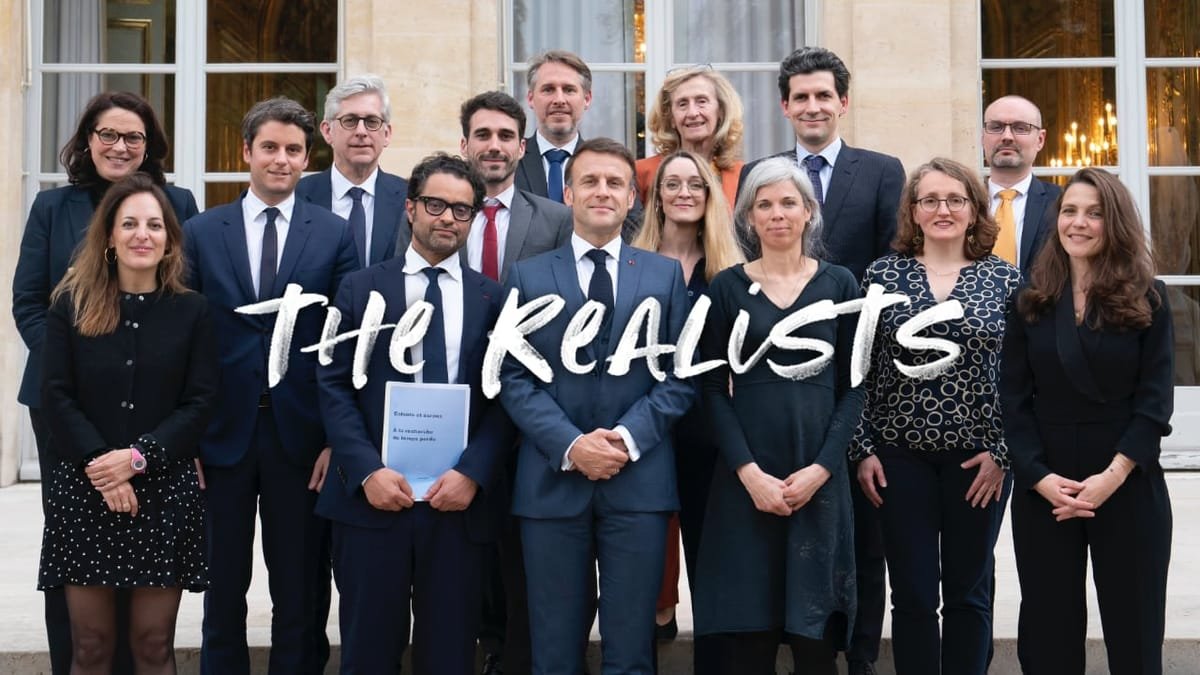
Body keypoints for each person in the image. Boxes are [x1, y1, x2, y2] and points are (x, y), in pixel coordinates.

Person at [12, 90, 199, 675]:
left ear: (151, 146)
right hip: (66, 409)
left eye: (134, 137)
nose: (121, 146)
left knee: (146, 563)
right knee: (78, 551)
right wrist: (76, 367)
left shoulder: (178, 203)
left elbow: (186, 299)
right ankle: (82, 659)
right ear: (87, 140)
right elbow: (29, 304)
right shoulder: (53, 207)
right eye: (108, 134)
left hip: (154, 407)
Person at [498, 138, 694, 674]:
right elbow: (513, 377)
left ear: (632, 198)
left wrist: (625, 441)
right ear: (569, 194)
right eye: (590, 181)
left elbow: (680, 376)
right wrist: (571, 445)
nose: (602, 191)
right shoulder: (529, 276)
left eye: (614, 183)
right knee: (554, 649)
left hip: (639, 483)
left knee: (632, 649)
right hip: (550, 483)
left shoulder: (662, 276)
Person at [739, 46, 904, 675]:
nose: (812, 106)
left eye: (823, 96)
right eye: (800, 97)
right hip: (777, 377)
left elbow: (891, 267)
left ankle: (856, 656)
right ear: (785, 106)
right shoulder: (763, 171)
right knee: (789, 524)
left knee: (863, 529)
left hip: (856, 369)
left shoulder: (882, 170)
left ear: (842, 102)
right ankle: (797, 648)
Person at [317, 153, 516, 675]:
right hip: (373, 501)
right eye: (436, 205)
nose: (448, 218)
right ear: (410, 208)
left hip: (457, 506)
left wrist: (473, 473)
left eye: (462, 210)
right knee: (367, 652)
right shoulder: (360, 288)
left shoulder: (493, 299)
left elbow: (506, 398)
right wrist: (366, 471)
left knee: (450, 654)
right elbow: (334, 386)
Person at [183, 96, 358, 675]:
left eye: (293, 150)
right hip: (220, 437)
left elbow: (343, 345)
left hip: (302, 439)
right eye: (270, 148)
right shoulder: (202, 232)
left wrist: (338, 439)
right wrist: (186, 441)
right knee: (222, 589)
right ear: (245, 153)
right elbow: (182, 342)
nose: (281, 160)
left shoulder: (334, 236)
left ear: (308, 158)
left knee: (300, 590)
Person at [38, 172, 216, 674]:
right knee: (91, 646)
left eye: (155, 225)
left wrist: (138, 459)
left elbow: (200, 403)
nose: (143, 234)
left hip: (163, 491)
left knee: (153, 645)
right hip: (85, 491)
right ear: (110, 236)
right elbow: (56, 395)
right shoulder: (70, 306)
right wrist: (102, 466)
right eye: (130, 223)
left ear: (169, 240)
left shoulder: (193, 311)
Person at [692, 157, 863, 675]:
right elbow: (710, 390)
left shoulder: (839, 284)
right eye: (764, 205)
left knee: (816, 649)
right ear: (748, 219)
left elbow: (854, 388)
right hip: (747, 483)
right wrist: (749, 474)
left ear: (809, 212)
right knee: (750, 645)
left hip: (818, 480)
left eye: (789, 202)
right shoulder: (725, 288)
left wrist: (823, 468)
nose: (777, 214)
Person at [1002, 167, 1174, 674]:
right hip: (1046, 486)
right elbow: (1013, 400)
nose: (1079, 223)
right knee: (1049, 637)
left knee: (1136, 632)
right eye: (1071, 211)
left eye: (1095, 213)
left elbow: (1155, 402)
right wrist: (1037, 477)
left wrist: (1113, 477)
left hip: (1127, 479)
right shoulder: (1030, 298)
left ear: (1114, 222)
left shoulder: (1151, 297)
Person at [852, 158, 1019, 675]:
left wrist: (1002, 453)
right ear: (914, 212)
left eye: (955, 200)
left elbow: (1024, 377)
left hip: (981, 460)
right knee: (914, 593)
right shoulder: (882, 275)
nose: (943, 209)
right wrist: (862, 449)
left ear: (974, 210)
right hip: (898, 457)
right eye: (930, 200)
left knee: (970, 591)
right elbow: (857, 368)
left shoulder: (1006, 280)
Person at [458, 89, 572, 675]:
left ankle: (518, 653)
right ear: (465, 145)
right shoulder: (437, 211)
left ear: (522, 147)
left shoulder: (554, 219)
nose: (494, 146)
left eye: (506, 136)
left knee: (520, 541)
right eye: (483, 135)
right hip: (457, 401)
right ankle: (477, 643)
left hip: (530, 402)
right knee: (463, 537)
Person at [630, 150, 744, 644]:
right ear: (656, 197)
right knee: (644, 556)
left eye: (695, 185)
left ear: (710, 196)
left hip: (710, 428)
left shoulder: (731, 269)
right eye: (671, 184)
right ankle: (655, 629)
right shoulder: (631, 263)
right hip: (645, 423)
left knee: (710, 551)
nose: (683, 193)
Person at [515, 50, 641, 241]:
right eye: (548, 89)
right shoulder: (512, 161)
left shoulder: (611, 166)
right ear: (531, 98)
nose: (559, 99)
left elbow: (634, 228)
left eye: (569, 90)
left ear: (587, 99)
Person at [296, 74, 410, 266]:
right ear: (327, 131)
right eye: (350, 120)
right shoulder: (297, 196)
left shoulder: (410, 198)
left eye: (372, 121)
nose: (361, 131)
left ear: (387, 134)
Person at [635, 66, 745, 211]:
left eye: (701, 101)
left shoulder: (743, 175)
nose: (692, 113)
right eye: (682, 104)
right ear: (671, 118)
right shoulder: (641, 173)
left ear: (721, 112)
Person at [981, 95, 1062, 273]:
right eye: (996, 127)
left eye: (1020, 128)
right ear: (982, 137)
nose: (1007, 136)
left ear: (1040, 139)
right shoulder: (962, 204)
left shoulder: (1061, 204)